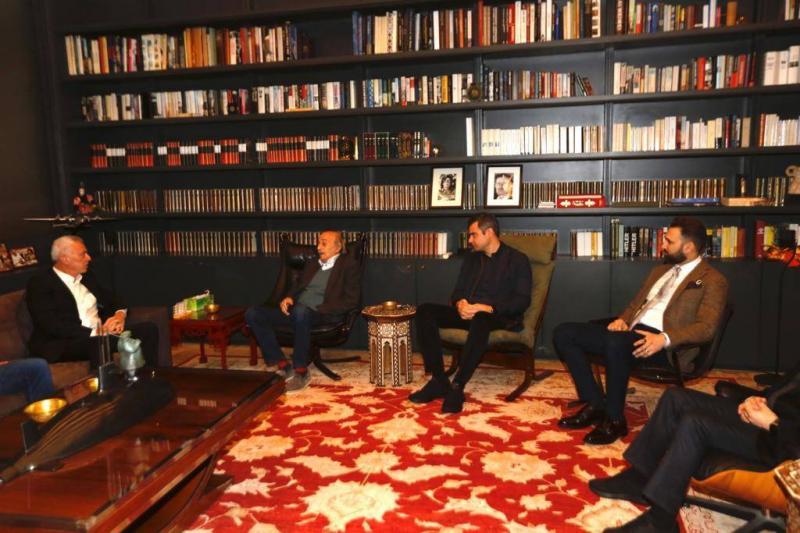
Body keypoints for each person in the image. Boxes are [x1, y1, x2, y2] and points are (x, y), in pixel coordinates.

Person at [554, 217, 728, 444]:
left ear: (689, 247)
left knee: (615, 343)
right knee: (564, 333)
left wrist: (664, 339)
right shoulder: (660, 270)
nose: (663, 245)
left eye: (669, 241)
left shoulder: (713, 280)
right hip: (631, 335)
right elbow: (635, 304)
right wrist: (623, 320)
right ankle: (595, 404)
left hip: (665, 347)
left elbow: (706, 327)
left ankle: (615, 421)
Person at [589, 367, 800, 532]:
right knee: (675, 397)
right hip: (774, 423)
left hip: (784, 447)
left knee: (695, 423)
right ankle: (639, 478)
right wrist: (757, 400)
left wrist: (773, 424)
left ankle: (660, 522)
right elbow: (786, 394)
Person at [409, 213, 532, 414]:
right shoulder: (472, 259)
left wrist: (488, 308)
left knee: (481, 319)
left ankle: (457, 386)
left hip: (497, 316)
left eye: (473, 235)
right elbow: (457, 291)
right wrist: (460, 303)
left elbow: (522, 300)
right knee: (424, 311)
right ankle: (439, 380)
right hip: (468, 314)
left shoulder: (518, 260)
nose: (469, 240)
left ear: (489, 232)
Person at [246, 230, 361, 392]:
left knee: (301, 312)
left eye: (324, 243)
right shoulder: (313, 263)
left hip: (322, 313)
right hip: (298, 312)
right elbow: (297, 286)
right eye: (318, 242)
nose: (318, 247)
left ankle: (301, 371)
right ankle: (282, 364)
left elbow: (352, 300)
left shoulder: (348, 265)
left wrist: (323, 308)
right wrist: (289, 297)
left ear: (338, 247)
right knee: (253, 313)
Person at [26, 236, 160, 368]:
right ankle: (104, 382)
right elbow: (52, 325)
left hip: (101, 335)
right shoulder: (41, 284)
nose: (89, 258)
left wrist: (119, 317)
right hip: (66, 342)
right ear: (65, 259)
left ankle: (148, 377)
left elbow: (114, 299)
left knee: (148, 330)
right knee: (99, 344)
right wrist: (97, 332)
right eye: (83, 254)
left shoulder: (87, 277)